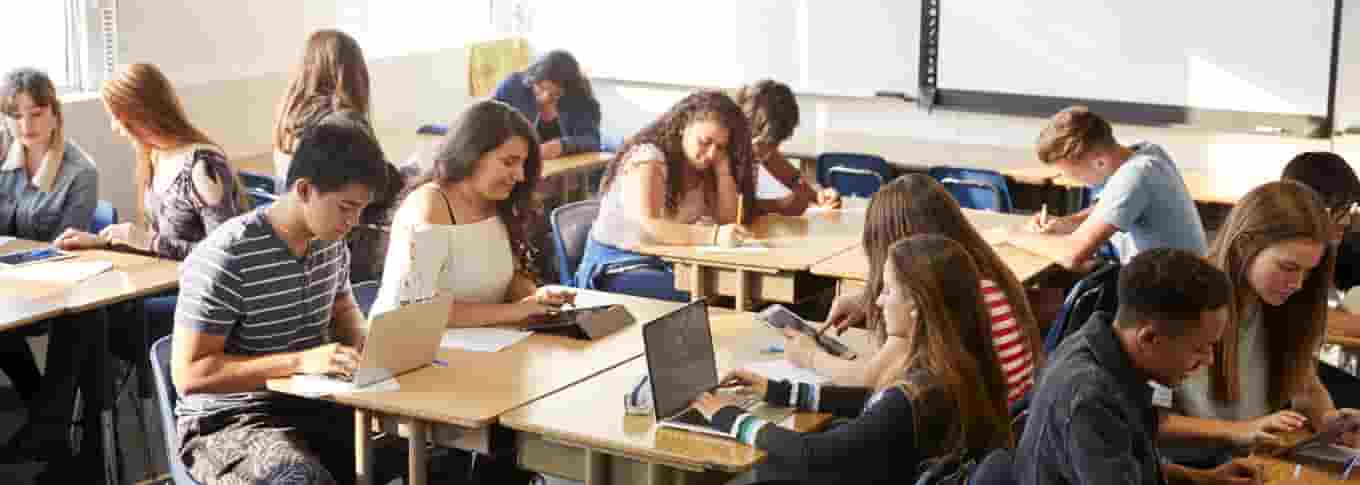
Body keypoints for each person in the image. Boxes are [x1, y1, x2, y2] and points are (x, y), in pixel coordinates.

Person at [692, 234, 1013, 485]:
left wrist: (729, 417)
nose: (878, 300)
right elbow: (874, 404)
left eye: (887, 291)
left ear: (916, 306)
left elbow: (813, 455)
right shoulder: (963, 367)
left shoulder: (915, 395)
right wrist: (779, 391)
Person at [172, 117, 388, 485]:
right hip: (229, 422)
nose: (353, 221)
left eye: (361, 210)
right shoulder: (228, 255)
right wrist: (301, 361)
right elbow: (190, 374)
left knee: (442, 452)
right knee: (300, 480)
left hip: (316, 404)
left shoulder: (330, 242)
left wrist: (365, 345)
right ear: (304, 190)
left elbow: (343, 310)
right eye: (346, 207)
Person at [1016, 248, 1262, 485]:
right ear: (1149, 339)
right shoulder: (1091, 400)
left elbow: (1134, 465)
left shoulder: (1102, 345)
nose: (1209, 359)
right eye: (1199, 348)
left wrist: (1207, 479)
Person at [1161, 181, 1360, 465]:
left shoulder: (1278, 306)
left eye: (1307, 272)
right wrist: (1237, 432)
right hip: (1185, 472)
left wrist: (1329, 420)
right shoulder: (1178, 301)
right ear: (1244, 246)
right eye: (1288, 268)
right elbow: (1143, 419)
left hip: (1252, 465)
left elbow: (1305, 387)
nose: (1298, 284)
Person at [808, 174, 1042, 407]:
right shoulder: (981, 277)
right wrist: (866, 300)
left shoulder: (932, 301)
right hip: (1005, 425)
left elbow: (869, 380)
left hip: (968, 436)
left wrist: (807, 355)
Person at [371, 100, 573, 326]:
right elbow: (418, 308)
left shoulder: (497, 202)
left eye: (523, 164)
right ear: (471, 154)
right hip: (408, 349)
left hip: (481, 341)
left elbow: (508, 276)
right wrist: (515, 311)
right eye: (509, 162)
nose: (520, 176)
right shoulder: (428, 206)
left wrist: (535, 297)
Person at [0, 67, 100, 464]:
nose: (26, 125)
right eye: (15, 114)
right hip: (10, 284)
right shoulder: (3, 158)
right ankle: (46, 420)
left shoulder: (81, 172)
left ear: (55, 114)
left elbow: (63, 251)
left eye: (36, 112)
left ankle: (47, 426)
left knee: (82, 318)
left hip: (53, 288)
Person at [574, 91, 755, 300]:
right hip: (616, 267)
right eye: (705, 142)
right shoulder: (648, 158)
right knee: (708, 295)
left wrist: (723, 168)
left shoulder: (703, 165)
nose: (713, 153)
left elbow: (727, 221)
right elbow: (648, 227)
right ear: (682, 128)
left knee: (727, 290)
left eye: (721, 147)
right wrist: (713, 236)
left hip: (660, 262)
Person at [56, 62, 247, 260]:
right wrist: (103, 242)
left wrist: (149, 241)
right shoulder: (154, 156)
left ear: (140, 115)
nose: (114, 127)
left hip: (197, 287)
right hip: (164, 277)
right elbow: (160, 247)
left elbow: (225, 255)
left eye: (116, 117)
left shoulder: (203, 166)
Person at [1005, 105, 1207, 269]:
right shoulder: (1146, 152)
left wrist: (1013, 235)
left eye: (1071, 174)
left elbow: (1072, 255)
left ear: (1099, 162)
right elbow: (1112, 206)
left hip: (1172, 302)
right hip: (1175, 283)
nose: (1068, 179)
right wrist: (1064, 223)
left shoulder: (1135, 175)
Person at [273, 29, 403, 282]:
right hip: (344, 245)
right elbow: (376, 186)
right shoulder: (343, 121)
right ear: (355, 73)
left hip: (301, 239)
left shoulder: (287, 116)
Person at [1280, 152, 1360, 335]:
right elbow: (1296, 316)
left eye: (1349, 208)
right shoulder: (1282, 248)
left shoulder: (1334, 246)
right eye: (1339, 209)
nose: (1346, 220)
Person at [733, 79, 839, 215]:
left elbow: (792, 178)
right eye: (768, 144)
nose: (770, 152)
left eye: (776, 144)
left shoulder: (761, 146)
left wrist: (818, 195)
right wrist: (780, 205)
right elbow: (730, 209)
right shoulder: (723, 147)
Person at [493, 49, 600, 159]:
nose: (545, 98)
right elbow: (487, 128)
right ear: (533, 79)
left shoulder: (577, 98)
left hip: (566, 170)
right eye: (541, 88)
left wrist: (562, 146)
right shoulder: (512, 86)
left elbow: (593, 140)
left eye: (556, 94)